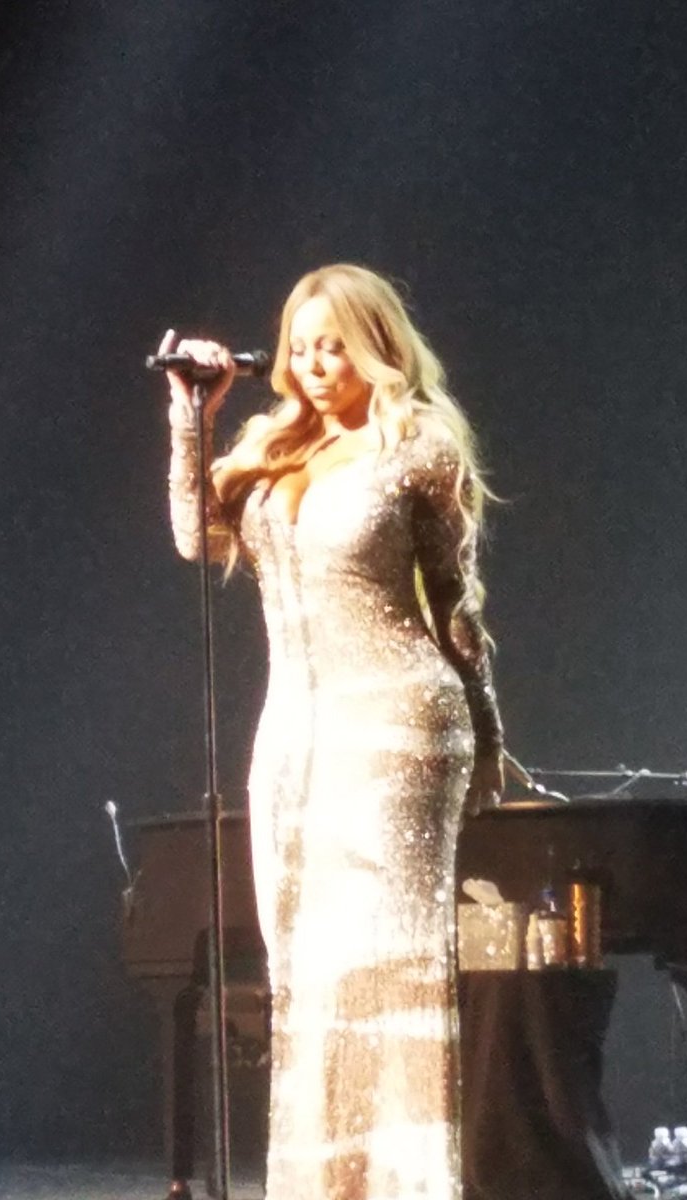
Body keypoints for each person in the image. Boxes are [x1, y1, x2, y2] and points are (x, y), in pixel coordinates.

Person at [161, 263, 504, 1200]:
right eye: (301, 347)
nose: (314, 365)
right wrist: (193, 414)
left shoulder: (418, 446)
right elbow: (196, 536)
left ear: (376, 347)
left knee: (384, 971)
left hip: (400, 733)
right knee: (307, 972)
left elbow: (456, 606)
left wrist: (489, 736)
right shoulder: (273, 447)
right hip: (295, 743)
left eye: (334, 347)